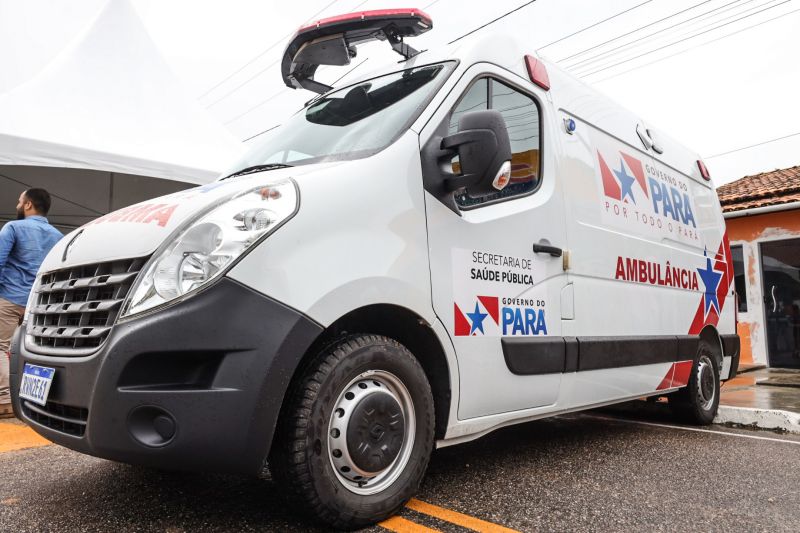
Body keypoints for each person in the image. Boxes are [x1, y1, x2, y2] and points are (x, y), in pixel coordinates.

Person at [0, 189, 62, 417]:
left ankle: (5, 399)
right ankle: (34, 397)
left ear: (27, 205)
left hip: (9, 297)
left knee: (1, 346)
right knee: (34, 350)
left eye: (19, 201)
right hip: (39, 303)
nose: (17, 205)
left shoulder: (13, 228)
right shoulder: (58, 236)